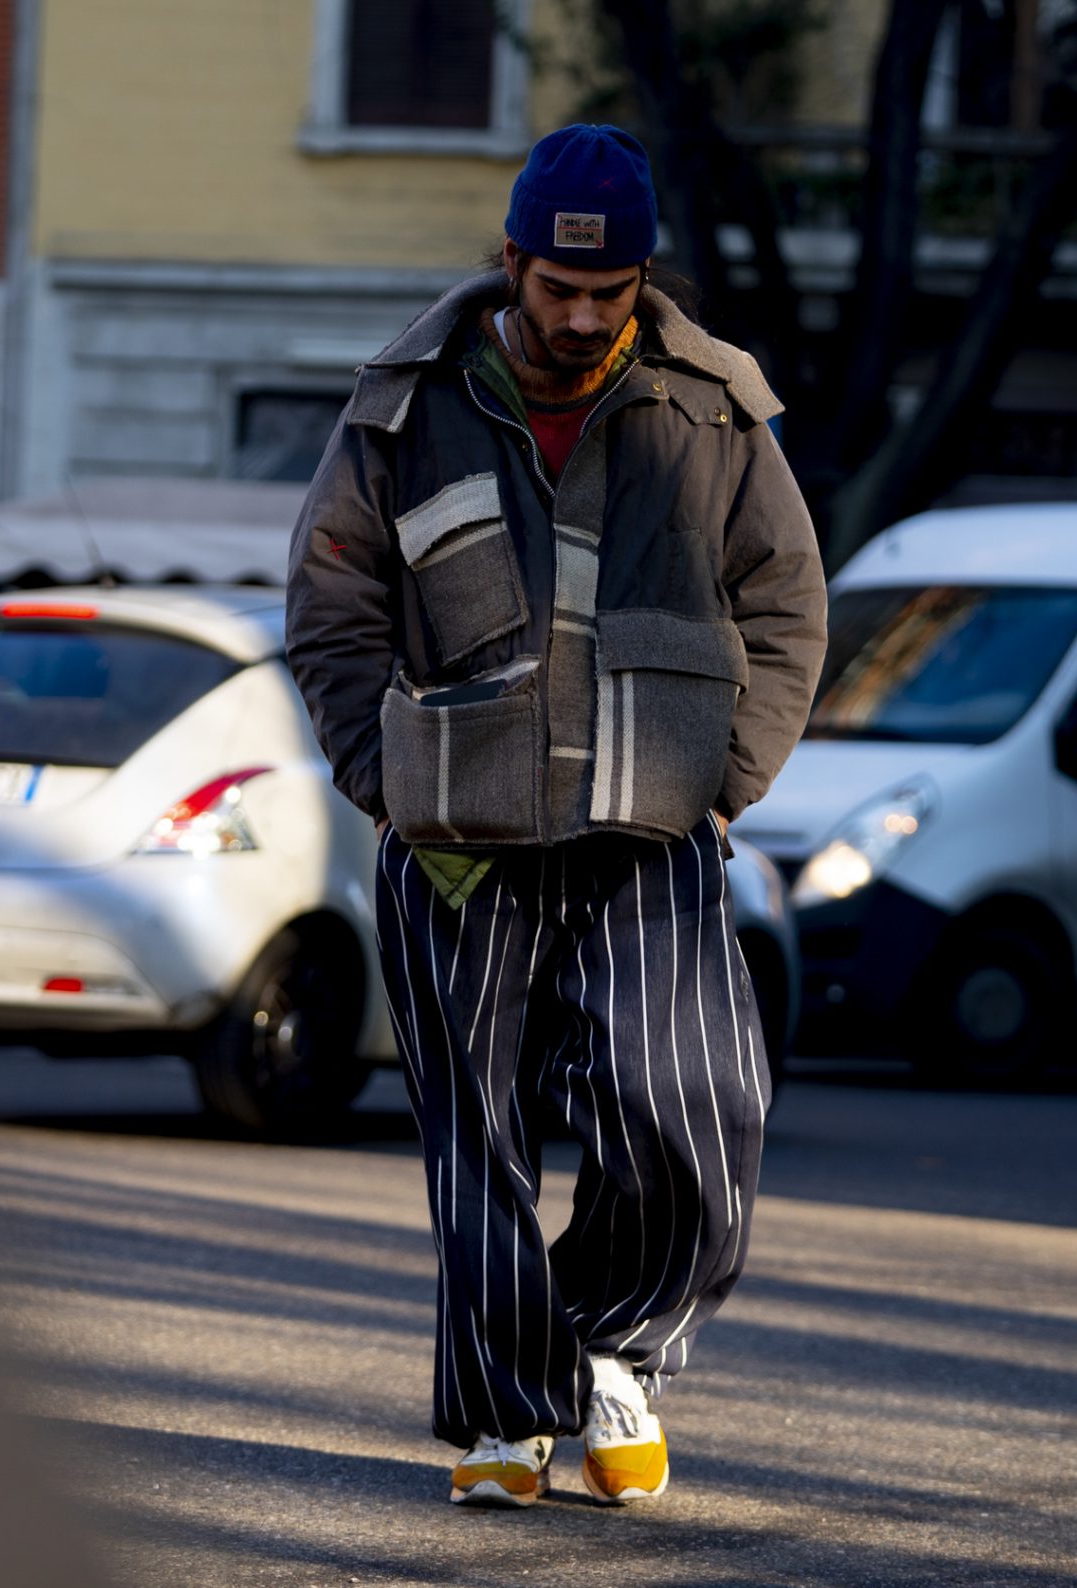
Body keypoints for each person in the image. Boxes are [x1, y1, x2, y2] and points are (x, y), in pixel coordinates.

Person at [285, 124, 828, 1508]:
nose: (584, 318)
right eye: (558, 290)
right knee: (480, 1133)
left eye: (613, 292)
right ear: (513, 263)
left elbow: (786, 603)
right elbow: (333, 603)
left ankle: (608, 1345)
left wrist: (728, 783)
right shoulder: (402, 406)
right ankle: (504, 1416)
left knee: (700, 1107)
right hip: (457, 843)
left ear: (642, 279)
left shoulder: (711, 409)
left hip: (650, 829)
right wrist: (380, 777)